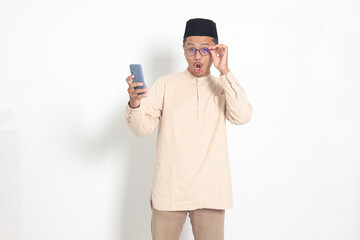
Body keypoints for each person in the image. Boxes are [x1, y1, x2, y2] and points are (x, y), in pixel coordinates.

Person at [125, 18, 253, 240]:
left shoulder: (223, 85)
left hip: (210, 191)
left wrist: (225, 71)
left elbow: (241, 116)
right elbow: (141, 128)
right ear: (183, 50)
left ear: (216, 51)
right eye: (191, 49)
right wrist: (135, 103)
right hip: (170, 189)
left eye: (205, 50)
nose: (197, 56)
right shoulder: (166, 84)